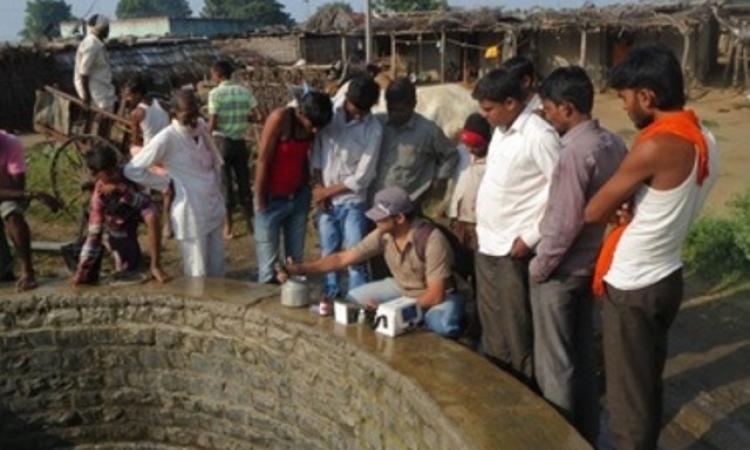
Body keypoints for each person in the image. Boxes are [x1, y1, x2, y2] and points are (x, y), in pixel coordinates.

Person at [584, 45, 719, 450]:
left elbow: (593, 211)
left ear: (647, 96)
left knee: (627, 401)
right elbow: (666, 198)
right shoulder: (705, 138)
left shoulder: (657, 145)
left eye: (625, 99)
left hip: (633, 284)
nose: (624, 109)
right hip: (667, 273)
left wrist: (620, 203)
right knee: (647, 382)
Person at [528, 66, 627, 444]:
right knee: (583, 356)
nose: (546, 115)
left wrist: (541, 266)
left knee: (555, 364)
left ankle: (559, 436)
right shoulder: (612, 143)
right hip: (593, 264)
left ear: (567, 108)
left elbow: (564, 221)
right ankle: (584, 433)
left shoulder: (573, 153)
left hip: (563, 269)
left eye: (549, 108)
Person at [472, 68, 561, 384]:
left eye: (488, 109)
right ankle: (499, 385)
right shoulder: (500, 131)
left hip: (515, 245)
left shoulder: (539, 135)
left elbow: (560, 193)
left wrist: (531, 237)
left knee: (517, 328)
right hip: (488, 242)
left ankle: (526, 393)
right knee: (492, 325)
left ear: (510, 102)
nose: (485, 116)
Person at [278, 187, 463, 338]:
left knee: (442, 326)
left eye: (380, 217)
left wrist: (390, 309)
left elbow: (435, 295)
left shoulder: (432, 240)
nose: (375, 221)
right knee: (353, 299)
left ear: (399, 218)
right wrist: (298, 268)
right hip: (401, 288)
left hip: (435, 295)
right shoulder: (384, 234)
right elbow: (342, 258)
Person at [125, 89, 226, 278]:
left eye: (196, 112)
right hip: (191, 213)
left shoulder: (201, 127)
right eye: (188, 115)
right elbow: (132, 170)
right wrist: (166, 182)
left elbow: (214, 164)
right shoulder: (167, 138)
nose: (194, 119)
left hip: (212, 207)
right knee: (198, 273)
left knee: (218, 270)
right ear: (174, 114)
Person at [311, 75, 383, 314]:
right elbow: (318, 154)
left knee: (355, 255)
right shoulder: (330, 115)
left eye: (364, 110)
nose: (359, 114)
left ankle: (356, 303)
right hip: (326, 198)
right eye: (355, 108)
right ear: (348, 100)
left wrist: (325, 192)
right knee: (328, 252)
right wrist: (319, 189)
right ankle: (329, 297)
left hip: (353, 202)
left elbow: (363, 176)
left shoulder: (374, 129)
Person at [253, 91, 333, 284]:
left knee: (295, 262)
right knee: (269, 267)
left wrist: (312, 188)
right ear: (301, 113)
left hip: (297, 197)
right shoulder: (280, 118)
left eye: (318, 127)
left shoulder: (311, 127)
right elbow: (263, 160)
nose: (314, 131)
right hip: (271, 198)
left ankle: (292, 298)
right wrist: (260, 199)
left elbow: (306, 161)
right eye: (312, 125)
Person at [72, 145, 168, 286]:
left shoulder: (130, 174)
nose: (114, 176)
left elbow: (146, 204)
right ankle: (126, 259)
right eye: (108, 174)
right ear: (96, 175)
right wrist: (82, 269)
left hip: (136, 212)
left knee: (152, 216)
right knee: (127, 267)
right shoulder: (99, 196)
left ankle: (156, 266)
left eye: (115, 171)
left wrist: (122, 190)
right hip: (118, 227)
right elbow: (93, 234)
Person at [371, 77, 458, 203]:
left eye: (400, 110)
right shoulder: (377, 124)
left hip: (408, 205)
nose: (395, 114)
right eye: (391, 109)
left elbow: (450, 154)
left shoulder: (429, 131)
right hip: (373, 201)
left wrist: (440, 179)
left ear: (413, 104)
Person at [0, 130, 60, 291]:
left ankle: (27, 271)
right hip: (8, 192)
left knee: (12, 212)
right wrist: (33, 194)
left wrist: (25, 194)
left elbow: (17, 188)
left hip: (8, 196)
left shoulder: (10, 143)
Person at [208, 60, 258, 239]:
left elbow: (213, 122)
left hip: (222, 141)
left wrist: (204, 135)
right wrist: (241, 118)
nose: (212, 78)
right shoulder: (244, 91)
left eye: (213, 74)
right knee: (244, 182)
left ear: (218, 75)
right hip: (240, 141)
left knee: (225, 185)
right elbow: (256, 115)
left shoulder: (215, 94)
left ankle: (228, 227)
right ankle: (251, 225)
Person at [122, 76, 172, 237]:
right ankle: (168, 225)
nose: (127, 99)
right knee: (168, 185)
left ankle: (143, 201)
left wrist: (133, 148)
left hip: (151, 154)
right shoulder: (162, 104)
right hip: (167, 151)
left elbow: (135, 140)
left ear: (138, 94)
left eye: (129, 95)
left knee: (129, 166)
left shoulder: (137, 113)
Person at [448, 113, 491, 251]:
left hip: (479, 223)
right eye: (468, 145)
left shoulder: (494, 159)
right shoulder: (461, 152)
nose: (471, 150)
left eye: (476, 146)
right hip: (457, 219)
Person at [74, 14, 115, 111]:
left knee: (107, 115)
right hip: (95, 90)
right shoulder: (91, 44)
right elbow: (83, 73)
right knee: (101, 118)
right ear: (100, 29)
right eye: (106, 28)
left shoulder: (97, 43)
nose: (108, 31)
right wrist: (86, 96)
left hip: (101, 87)